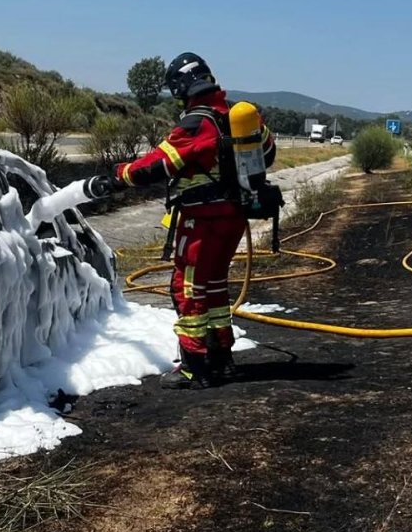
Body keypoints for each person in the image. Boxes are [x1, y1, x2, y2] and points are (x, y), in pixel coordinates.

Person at [91, 52, 276, 389]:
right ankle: (222, 358)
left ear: (181, 87)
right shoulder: (236, 117)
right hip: (234, 218)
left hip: (201, 221)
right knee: (216, 285)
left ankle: (194, 366)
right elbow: (270, 154)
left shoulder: (196, 123)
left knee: (187, 288)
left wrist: (117, 176)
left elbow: (156, 165)